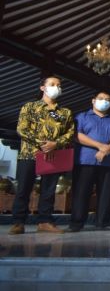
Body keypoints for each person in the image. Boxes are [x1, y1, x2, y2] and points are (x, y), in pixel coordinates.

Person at [9, 76, 75, 235]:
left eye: (59, 85)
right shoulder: (30, 107)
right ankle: (18, 222)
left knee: (49, 190)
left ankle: (44, 221)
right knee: (23, 188)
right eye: (52, 84)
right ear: (42, 88)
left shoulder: (65, 112)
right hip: (29, 154)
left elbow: (70, 132)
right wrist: (42, 144)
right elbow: (22, 129)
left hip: (54, 155)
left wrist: (55, 144)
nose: (56, 87)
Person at [69, 92, 110, 232]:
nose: (104, 101)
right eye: (101, 99)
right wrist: (99, 146)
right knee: (81, 193)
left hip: (109, 162)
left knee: (106, 193)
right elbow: (77, 135)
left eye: (107, 99)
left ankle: (103, 223)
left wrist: (109, 148)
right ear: (93, 101)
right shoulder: (82, 117)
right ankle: (77, 223)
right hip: (85, 161)